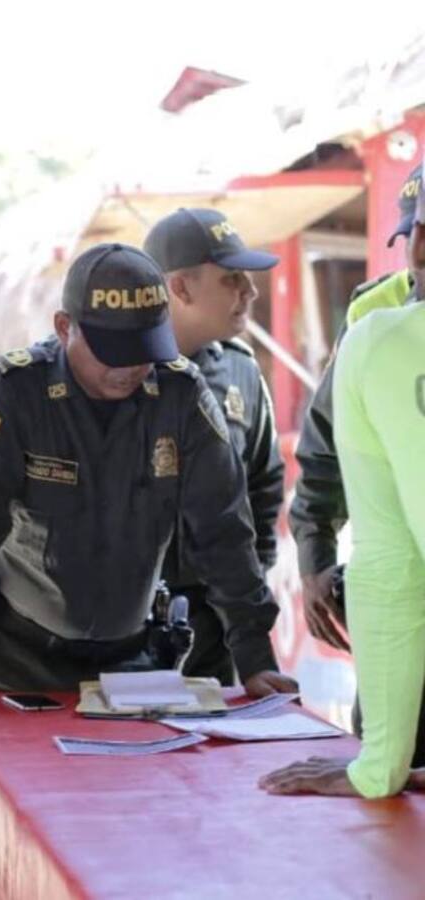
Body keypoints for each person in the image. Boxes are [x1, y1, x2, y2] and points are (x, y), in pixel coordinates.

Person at [0, 243, 297, 751]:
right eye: (112, 351)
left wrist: (255, 658)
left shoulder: (181, 395)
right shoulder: (13, 391)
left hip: (135, 662)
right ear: (63, 326)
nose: (129, 368)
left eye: (144, 349)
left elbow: (224, 531)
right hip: (18, 659)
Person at [260, 266, 425, 798]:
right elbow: (324, 461)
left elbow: (390, 564)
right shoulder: (375, 326)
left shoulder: (383, 343)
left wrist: (379, 769)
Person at [288, 165, 425, 762]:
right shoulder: (375, 319)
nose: (419, 257)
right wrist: (315, 557)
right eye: (415, 237)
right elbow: (325, 447)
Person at [143, 209, 285, 685]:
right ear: (180, 288)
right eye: (233, 279)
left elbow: (263, 487)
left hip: (217, 624)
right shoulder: (114, 374)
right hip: (121, 622)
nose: (251, 292)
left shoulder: (243, 371)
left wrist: (250, 581)